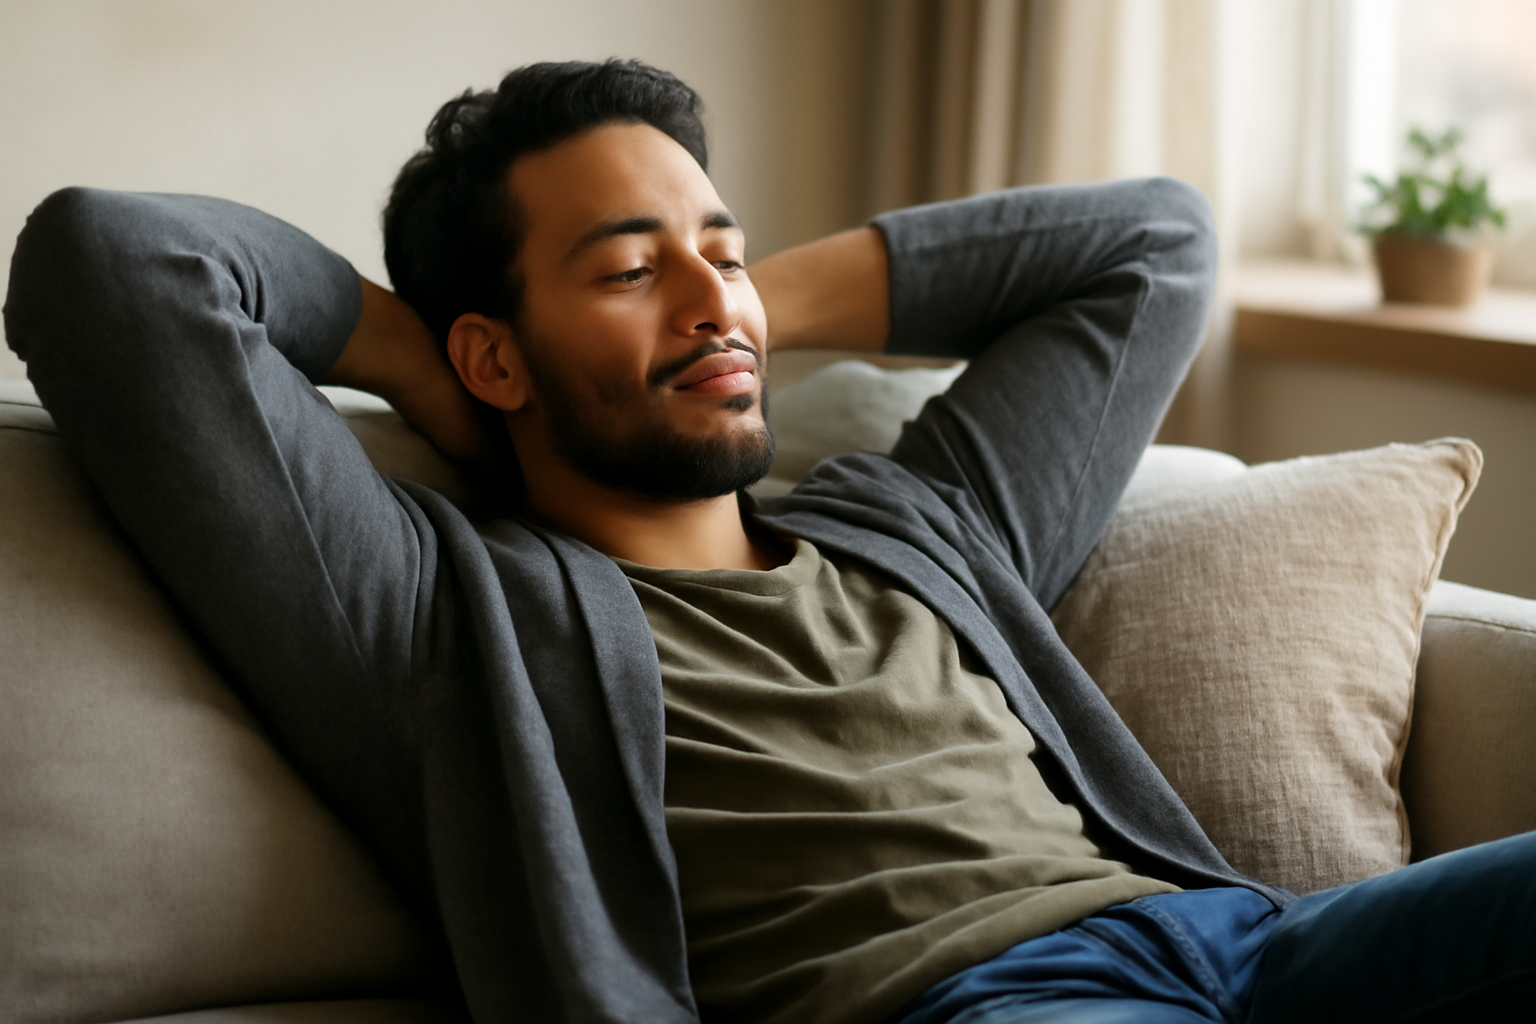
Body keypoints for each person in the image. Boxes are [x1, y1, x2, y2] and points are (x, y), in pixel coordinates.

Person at [4, 58, 1532, 1024]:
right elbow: (113, 267)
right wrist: (418, 357)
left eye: (718, 249)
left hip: (1254, 950)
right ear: (495, 355)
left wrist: (736, 296)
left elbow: (1156, 244)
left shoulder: (914, 521)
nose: (707, 297)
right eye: (625, 267)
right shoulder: (442, 618)